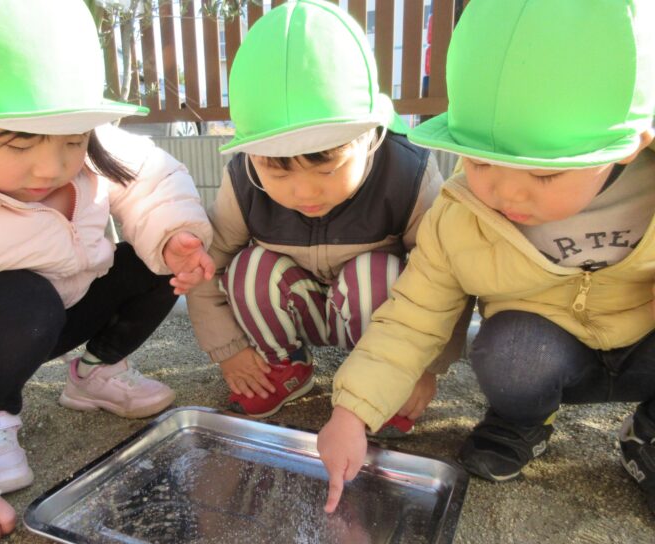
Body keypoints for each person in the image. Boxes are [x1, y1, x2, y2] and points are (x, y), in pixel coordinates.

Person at [0, 0, 214, 544]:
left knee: (160, 259)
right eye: (17, 141)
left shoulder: (91, 154)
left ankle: (94, 373)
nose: (50, 168)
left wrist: (175, 235)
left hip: (61, 309)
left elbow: (150, 178)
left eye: (71, 139)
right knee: (21, 300)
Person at [317, 0, 655, 514]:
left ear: (631, 143)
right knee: (507, 351)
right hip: (542, 350)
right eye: (478, 161)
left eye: (543, 174)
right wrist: (351, 413)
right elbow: (412, 317)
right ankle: (522, 422)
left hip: (643, 343)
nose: (505, 193)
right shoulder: (460, 214)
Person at [186, 0, 470, 433]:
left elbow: (446, 276)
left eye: (327, 168)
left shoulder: (407, 173)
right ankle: (287, 366)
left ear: (371, 135)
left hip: (374, 322)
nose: (303, 191)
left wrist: (424, 367)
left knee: (377, 274)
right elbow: (204, 266)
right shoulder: (242, 180)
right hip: (297, 307)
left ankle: (378, 381)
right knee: (247, 268)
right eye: (276, 169)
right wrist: (229, 350)